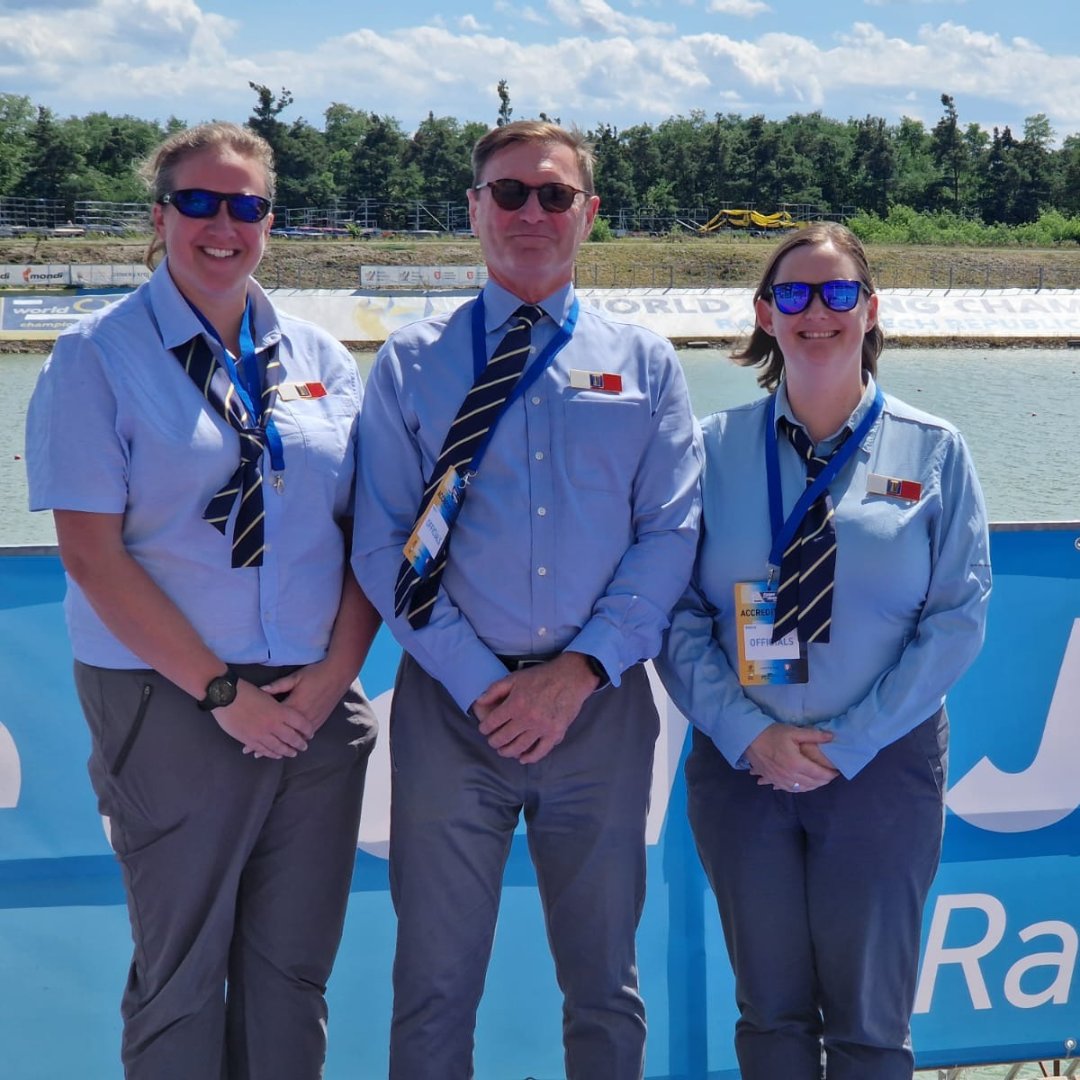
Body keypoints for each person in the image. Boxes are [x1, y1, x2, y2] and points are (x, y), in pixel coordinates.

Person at [24, 122, 379, 1080]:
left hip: (312, 705)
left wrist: (328, 682)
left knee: (293, 975)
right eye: (200, 203)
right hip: (171, 699)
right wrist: (226, 695)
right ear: (160, 215)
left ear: (271, 221)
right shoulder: (97, 358)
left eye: (246, 206)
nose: (223, 225)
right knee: (182, 976)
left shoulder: (322, 358)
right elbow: (93, 557)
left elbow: (368, 542)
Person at [352, 119, 702, 1079]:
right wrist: (478, 680)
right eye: (510, 192)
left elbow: (670, 532)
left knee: (603, 985)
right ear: (475, 210)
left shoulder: (646, 361)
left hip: (600, 711)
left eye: (555, 194)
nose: (532, 212)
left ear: (588, 213)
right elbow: (384, 542)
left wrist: (578, 672)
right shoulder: (411, 362)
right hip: (453, 714)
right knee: (433, 983)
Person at [656, 221, 992, 1079]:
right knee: (768, 1018)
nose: (817, 311)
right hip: (742, 769)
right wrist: (746, 733)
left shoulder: (935, 450)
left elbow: (956, 617)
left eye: (838, 293)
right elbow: (677, 612)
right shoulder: (708, 449)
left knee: (870, 1028)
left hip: (881, 770)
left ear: (870, 309)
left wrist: (851, 741)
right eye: (794, 294)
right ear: (764, 314)